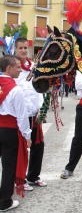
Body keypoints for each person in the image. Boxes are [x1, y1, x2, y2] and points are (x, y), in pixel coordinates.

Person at [0, 55, 32, 211]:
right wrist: (27, 136)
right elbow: (22, 116)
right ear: (8, 68)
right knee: (8, 167)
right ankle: (5, 202)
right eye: (18, 67)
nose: (21, 70)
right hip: (9, 131)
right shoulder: (15, 89)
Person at [14, 38, 46, 190]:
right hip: (20, 115)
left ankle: (33, 176)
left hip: (34, 113)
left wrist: (41, 108)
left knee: (38, 146)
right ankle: (19, 179)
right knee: (21, 149)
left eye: (25, 48)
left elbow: (38, 88)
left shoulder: (33, 66)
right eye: (20, 48)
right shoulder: (12, 67)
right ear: (15, 49)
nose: (23, 50)